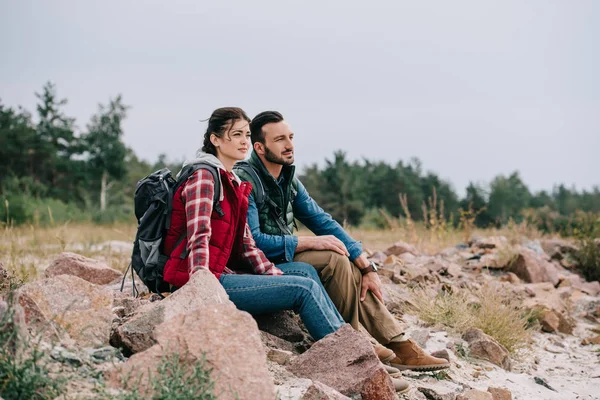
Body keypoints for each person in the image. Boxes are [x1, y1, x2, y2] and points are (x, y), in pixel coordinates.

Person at [234, 111, 450, 372]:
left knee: (346, 257)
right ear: (259, 147)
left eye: (290, 137)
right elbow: (252, 241)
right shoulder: (245, 178)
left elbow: (322, 221)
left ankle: (400, 345)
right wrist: (306, 242)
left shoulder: (288, 180)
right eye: (280, 139)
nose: (289, 145)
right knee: (332, 257)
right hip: (257, 264)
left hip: (282, 256)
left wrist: (365, 264)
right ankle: (357, 342)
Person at [161, 107, 345, 343]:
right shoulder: (204, 178)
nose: (244, 141)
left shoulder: (233, 180)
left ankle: (347, 341)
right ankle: (346, 354)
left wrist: (273, 275)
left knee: (304, 272)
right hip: (203, 282)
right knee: (303, 288)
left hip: (225, 272)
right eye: (236, 134)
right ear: (215, 140)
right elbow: (199, 237)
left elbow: (248, 244)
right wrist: (201, 291)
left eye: (247, 135)